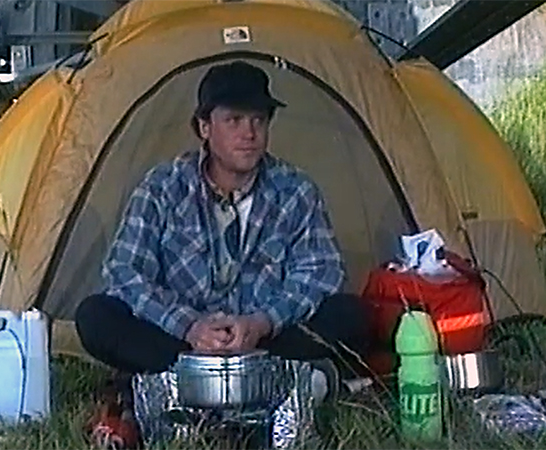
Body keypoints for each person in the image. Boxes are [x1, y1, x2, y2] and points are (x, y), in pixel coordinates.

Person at [75, 61, 370, 413]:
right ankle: (215, 376)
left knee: (350, 314)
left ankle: (201, 380)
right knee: (96, 316)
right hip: (184, 342)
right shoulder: (163, 186)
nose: (249, 133)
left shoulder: (295, 189)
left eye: (258, 121)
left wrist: (262, 322)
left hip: (264, 340)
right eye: (234, 120)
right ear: (204, 127)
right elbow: (125, 272)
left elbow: (322, 271)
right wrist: (189, 327)